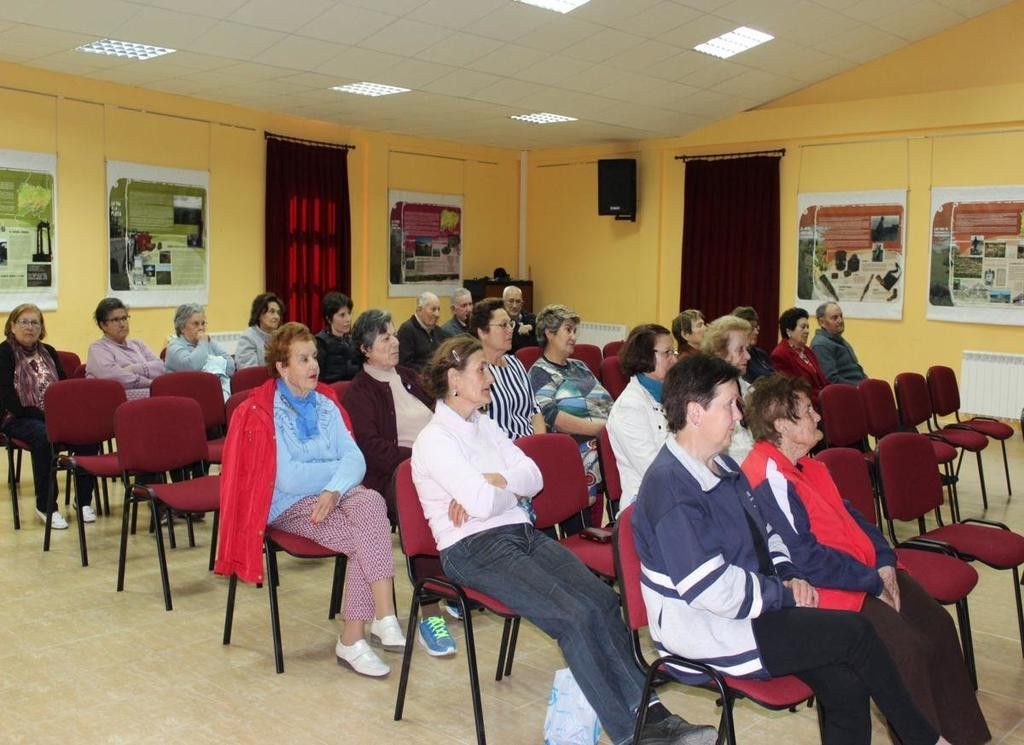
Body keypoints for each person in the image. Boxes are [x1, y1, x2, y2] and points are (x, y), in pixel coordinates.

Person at [412, 335, 718, 745]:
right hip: (472, 549)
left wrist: (494, 482)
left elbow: (533, 476)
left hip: (518, 532)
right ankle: (633, 733)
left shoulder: (483, 425)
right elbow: (484, 502)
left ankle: (653, 714)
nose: (491, 376)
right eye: (481, 369)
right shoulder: (435, 439)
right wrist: (499, 486)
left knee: (604, 602)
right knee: (573, 618)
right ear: (453, 379)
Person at [631, 354, 950, 745]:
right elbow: (711, 590)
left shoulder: (722, 466)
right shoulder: (671, 487)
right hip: (710, 627)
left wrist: (788, 574)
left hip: (753, 608)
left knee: (846, 681)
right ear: (696, 413)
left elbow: (767, 532)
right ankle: (926, 740)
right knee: (857, 634)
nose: (738, 415)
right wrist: (781, 594)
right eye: (730, 404)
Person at [741, 374, 990, 745]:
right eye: (808, 411)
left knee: (938, 627)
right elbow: (806, 560)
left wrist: (885, 560)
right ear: (782, 425)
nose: (818, 417)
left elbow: (855, 518)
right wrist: (872, 580)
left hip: (867, 571)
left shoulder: (811, 464)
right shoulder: (766, 475)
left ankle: (966, 738)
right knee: (908, 651)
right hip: (835, 589)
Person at [215, 322, 406, 678]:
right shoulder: (265, 412)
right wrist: (335, 474)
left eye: (314, 357)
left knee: (372, 504)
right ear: (282, 367)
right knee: (366, 536)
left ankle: (378, 621)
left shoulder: (325, 405)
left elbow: (356, 460)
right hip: (287, 504)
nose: (314, 366)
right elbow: (289, 476)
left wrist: (334, 488)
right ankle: (361, 633)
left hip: (335, 495)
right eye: (303, 359)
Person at [342, 309, 455, 656]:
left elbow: (444, 416)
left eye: (394, 334)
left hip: (433, 468)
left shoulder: (409, 376)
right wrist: (420, 461)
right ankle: (430, 610)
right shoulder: (359, 391)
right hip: (391, 479)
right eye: (385, 337)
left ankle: (456, 582)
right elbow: (372, 449)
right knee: (423, 507)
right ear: (365, 348)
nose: (395, 341)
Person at [0, 304, 97, 529]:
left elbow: (64, 388)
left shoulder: (49, 352)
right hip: (15, 417)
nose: (30, 327)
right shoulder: (4, 353)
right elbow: (7, 398)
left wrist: (61, 415)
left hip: (53, 415)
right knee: (44, 436)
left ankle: (83, 502)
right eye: (24, 322)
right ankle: (46, 506)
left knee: (88, 434)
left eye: (35, 322)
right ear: (12, 326)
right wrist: (44, 416)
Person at [528, 304, 613, 526]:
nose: (574, 337)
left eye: (575, 331)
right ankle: (587, 529)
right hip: (576, 443)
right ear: (549, 333)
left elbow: (604, 399)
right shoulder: (539, 372)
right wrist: (601, 429)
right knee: (603, 450)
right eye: (568, 330)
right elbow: (553, 418)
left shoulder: (580, 365)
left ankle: (618, 522)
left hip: (603, 434)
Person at [605, 324, 674, 511]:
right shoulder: (629, 407)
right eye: (667, 353)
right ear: (645, 356)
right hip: (645, 504)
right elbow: (653, 471)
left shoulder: (671, 395)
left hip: (675, 492)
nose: (674, 359)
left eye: (673, 352)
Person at [469, 298, 544, 440]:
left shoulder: (515, 363)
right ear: (482, 333)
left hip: (530, 446)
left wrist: (539, 444)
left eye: (511, 324)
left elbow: (535, 410)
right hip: (501, 451)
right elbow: (480, 428)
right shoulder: (475, 371)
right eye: (504, 325)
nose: (510, 330)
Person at [87, 297, 165, 399]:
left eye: (124, 318)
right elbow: (114, 377)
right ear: (103, 325)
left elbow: (161, 367)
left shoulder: (138, 344)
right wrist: (149, 381)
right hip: (119, 403)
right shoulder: (98, 348)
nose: (122, 324)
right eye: (115, 320)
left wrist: (132, 368)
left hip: (151, 399)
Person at [701, 315, 754, 463]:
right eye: (740, 350)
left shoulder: (746, 388)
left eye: (747, 349)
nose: (748, 356)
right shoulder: (706, 395)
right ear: (719, 353)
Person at [165, 303, 236, 399]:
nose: (201, 328)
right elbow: (193, 367)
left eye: (203, 323)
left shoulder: (209, 342)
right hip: (187, 398)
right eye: (196, 324)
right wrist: (203, 343)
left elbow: (231, 366)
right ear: (182, 328)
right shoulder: (174, 347)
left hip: (213, 393)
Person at [770, 306, 827, 409]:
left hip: (822, 402)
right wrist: (825, 398)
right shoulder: (780, 355)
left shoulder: (807, 351)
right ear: (789, 331)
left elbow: (822, 380)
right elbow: (793, 390)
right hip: (805, 407)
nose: (807, 331)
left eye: (807, 327)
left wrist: (831, 393)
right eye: (803, 327)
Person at [811, 302, 867, 385]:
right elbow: (831, 379)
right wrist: (858, 388)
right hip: (847, 393)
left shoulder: (839, 340)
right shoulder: (821, 345)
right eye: (835, 318)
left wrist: (868, 384)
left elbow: (856, 370)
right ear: (822, 322)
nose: (840, 320)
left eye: (841, 316)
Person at [315, 291, 360, 384]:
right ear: (328, 318)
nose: (348, 319)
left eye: (349, 313)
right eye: (342, 315)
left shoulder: (354, 340)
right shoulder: (320, 342)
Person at [235, 292, 284, 369]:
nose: (277, 317)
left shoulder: (280, 337)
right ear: (259, 314)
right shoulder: (248, 338)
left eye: (278, 313)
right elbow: (250, 373)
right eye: (272, 312)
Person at [396, 291, 442, 371]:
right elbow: (404, 364)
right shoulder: (407, 330)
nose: (437, 314)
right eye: (433, 309)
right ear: (419, 310)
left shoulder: (438, 331)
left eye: (438, 309)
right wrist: (430, 371)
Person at [730, 306, 774, 383]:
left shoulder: (761, 354)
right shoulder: (735, 357)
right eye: (752, 328)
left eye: (757, 328)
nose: (757, 332)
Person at [502, 285, 537, 353]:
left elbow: (542, 324)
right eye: (511, 301)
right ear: (503, 302)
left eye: (518, 301)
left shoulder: (530, 318)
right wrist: (517, 328)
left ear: (522, 303)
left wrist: (531, 326)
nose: (514, 306)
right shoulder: (497, 322)